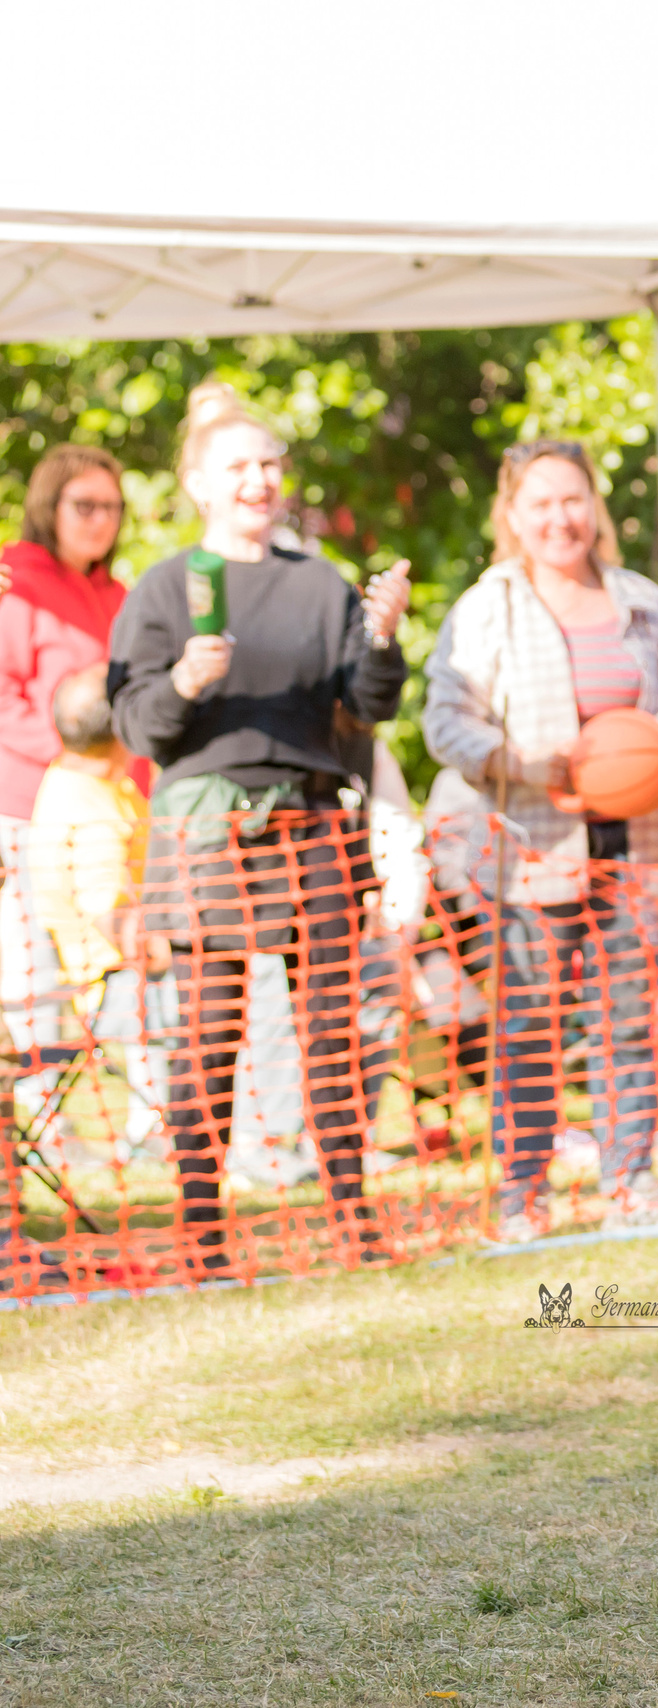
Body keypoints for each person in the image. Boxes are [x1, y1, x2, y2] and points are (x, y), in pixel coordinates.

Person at [108, 381, 411, 1270]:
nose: (259, 478)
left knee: (331, 1030)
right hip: (209, 836)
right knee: (207, 1035)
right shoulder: (166, 588)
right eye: (238, 465)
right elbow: (138, 726)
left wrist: (383, 639)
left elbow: (366, 708)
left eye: (271, 463)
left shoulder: (319, 583)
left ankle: (353, 1221)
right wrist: (185, 685)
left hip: (314, 828)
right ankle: (203, 1234)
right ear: (200, 482)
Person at [421, 438, 658, 1243]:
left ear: (595, 507)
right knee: (528, 1022)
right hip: (534, 849)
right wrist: (509, 760)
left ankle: (631, 1186)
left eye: (574, 499)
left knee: (631, 1016)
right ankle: (523, 1196)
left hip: (637, 843)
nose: (561, 518)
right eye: (542, 503)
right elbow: (444, 720)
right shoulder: (487, 609)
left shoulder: (642, 600)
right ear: (512, 516)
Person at [0, 445, 130, 1127]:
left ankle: (146, 1122)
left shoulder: (116, 594)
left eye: (111, 506)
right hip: (32, 810)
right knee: (36, 971)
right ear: (50, 507)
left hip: (114, 811)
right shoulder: (14, 582)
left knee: (123, 961)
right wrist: (75, 755)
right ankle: (44, 1126)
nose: (99, 520)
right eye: (84, 504)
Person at [26, 663, 167, 1159]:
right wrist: (167, 951)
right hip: (112, 985)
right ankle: (155, 1131)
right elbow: (108, 908)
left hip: (122, 976)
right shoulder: (90, 813)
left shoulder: (80, 779)